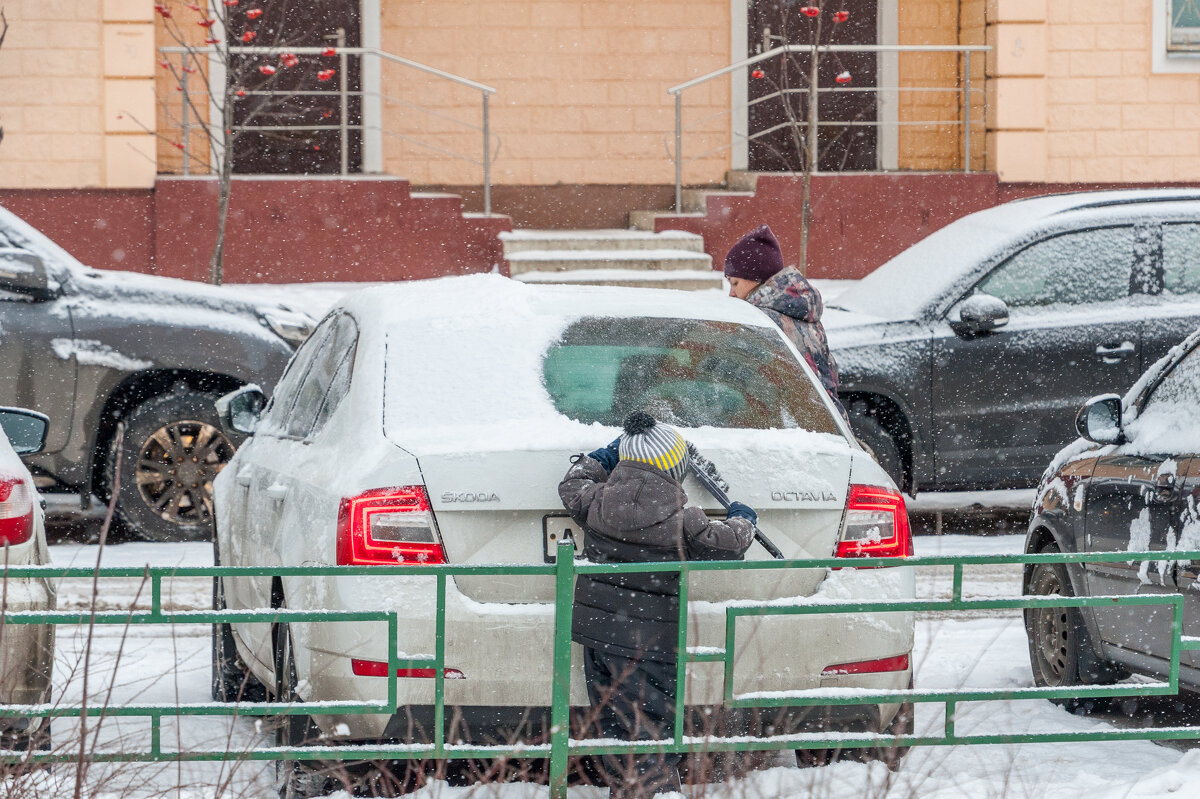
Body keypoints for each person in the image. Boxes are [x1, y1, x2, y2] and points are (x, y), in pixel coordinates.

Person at [558, 411, 756, 799]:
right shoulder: (683, 519)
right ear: (675, 469)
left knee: (612, 720)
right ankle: (650, 792)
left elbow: (573, 482)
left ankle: (624, 787)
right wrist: (742, 517)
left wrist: (607, 454)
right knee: (652, 724)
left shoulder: (597, 501)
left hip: (597, 634)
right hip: (650, 640)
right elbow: (728, 544)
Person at [723, 225, 844, 416]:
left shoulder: (762, 323)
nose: (731, 293)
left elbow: (729, 389)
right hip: (825, 431)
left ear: (756, 278)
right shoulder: (805, 318)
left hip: (789, 436)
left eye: (735, 283)